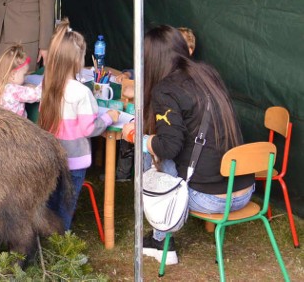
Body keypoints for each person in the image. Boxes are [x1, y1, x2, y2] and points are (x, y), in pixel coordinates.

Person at [121, 24, 252, 266]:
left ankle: (162, 242)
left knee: (150, 155)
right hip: (244, 191)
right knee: (159, 150)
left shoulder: (166, 89)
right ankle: (160, 240)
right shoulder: (208, 73)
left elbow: (169, 147)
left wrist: (137, 138)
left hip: (211, 199)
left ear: (151, 58)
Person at [39, 19, 119, 231]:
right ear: (75, 60)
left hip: (51, 157)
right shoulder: (81, 91)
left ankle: (44, 238)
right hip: (74, 161)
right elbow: (89, 129)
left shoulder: (46, 85)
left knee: (50, 201)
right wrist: (109, 117)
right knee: (66, 205)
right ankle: (62, 245)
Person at [0, 44, 41, 118]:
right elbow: (39, 95)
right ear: (13, 75)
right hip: (18, 127)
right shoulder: (14, 90)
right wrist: (48, 81)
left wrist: (26, 85)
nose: (26, 77)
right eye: (24, 75)